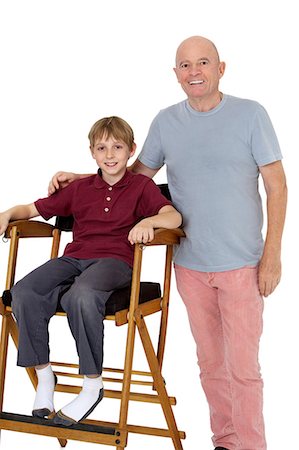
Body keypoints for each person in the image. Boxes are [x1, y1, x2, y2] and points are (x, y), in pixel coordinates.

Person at [47, 36, 287, 450]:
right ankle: (226, 442)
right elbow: (128, 177)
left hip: (242, 263)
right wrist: (83, 179)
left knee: (244, 368)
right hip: (190, 265)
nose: (194, 71)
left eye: (203, 63)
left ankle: (252, 445)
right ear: (175, 74)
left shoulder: (251, 115)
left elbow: (278, 187)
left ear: (221, 68)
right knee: (210, 364)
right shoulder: (166, 121)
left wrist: (273, 256)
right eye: (185, 65)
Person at [0, 116, 182, 427]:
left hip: (116, 263)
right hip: (74, 260)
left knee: (80, 295)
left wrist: (148, 222)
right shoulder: (81, 188)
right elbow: (31, 210)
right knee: (23, 292)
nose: (110, 155)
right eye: (102, 148)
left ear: (131, 150)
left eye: (117, 147)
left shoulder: (141, 186)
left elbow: (173, 217)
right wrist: (6, 213)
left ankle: (92, 383)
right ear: (92, 153)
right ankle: (45, 377)